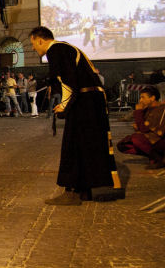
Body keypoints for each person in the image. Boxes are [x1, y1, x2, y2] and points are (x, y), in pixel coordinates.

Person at [30, 26, 123, 205]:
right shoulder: (67, 48)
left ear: (40, 39)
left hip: (84, 101)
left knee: (72, 145)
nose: (34, 48)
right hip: (92, 100)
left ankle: (71, 191)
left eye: (33, 43)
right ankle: (86, 190)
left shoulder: (55, 50)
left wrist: (63, 106)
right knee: (87, 145)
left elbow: (66, 81)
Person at [117, 86, 165, 169]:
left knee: (136, 139)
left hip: (160, 140)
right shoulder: (147, 109)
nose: (140, 100)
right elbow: (142, 128)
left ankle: (159, 159)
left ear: (152, 98)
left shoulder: (161, 109)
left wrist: (138, 112)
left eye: (143, 97)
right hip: (151, 139)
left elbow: (144, 129)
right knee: (123, 145)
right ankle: (154, 157)